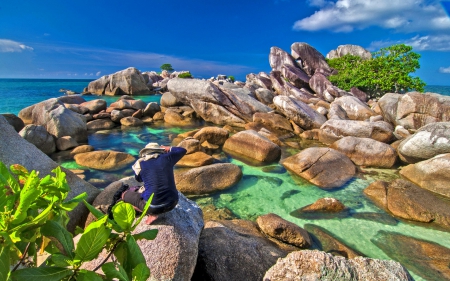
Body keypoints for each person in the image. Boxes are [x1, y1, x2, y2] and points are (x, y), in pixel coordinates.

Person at [121, 142, 187, 224]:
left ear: (145, 153)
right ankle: (151, 210)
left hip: (154, 207)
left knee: (124, 195)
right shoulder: (167, 158)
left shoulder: (141, 163)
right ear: (160, 151)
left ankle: (150, 213)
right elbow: (182, 150)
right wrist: (167, 148)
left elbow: (139, 179)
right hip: (172, 203)